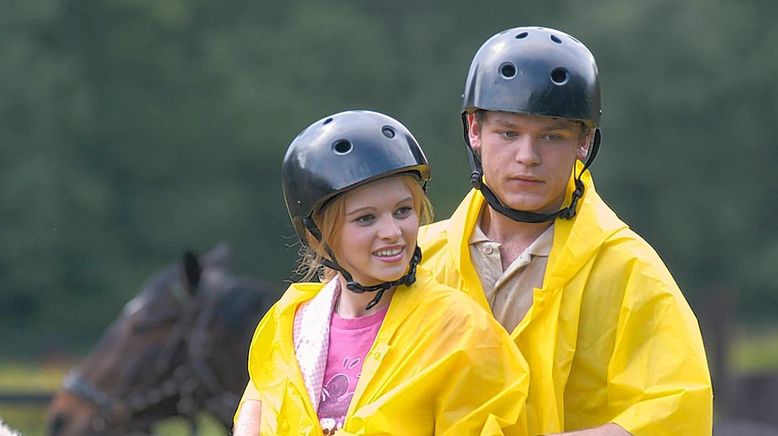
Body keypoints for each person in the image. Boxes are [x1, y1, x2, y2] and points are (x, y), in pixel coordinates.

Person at [417, 27, 713, 435]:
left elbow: (678, 411)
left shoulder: (629, 270)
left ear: (583, 141)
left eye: (552, 137)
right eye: (508, 132)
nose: (527, 156)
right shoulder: (416, 262)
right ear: (474, 129)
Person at [233, 110, 530, 435]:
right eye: (366, 218)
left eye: (403, 211)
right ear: (317, 236)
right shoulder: (289, 327)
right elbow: (261, 405)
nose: (391, 231)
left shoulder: (463, 331)